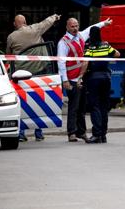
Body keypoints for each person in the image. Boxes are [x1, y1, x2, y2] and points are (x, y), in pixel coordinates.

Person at [6, 13, 60, 142]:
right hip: (38, 73)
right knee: (39, 101)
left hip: (20, 75)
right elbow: (46, 22)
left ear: (15, 24)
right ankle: (38, 132)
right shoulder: (35, 29)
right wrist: (55, 17)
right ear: (25, 22)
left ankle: (21, 133)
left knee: (22, 103)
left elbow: (8, 55)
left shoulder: (11, 37)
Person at [57, 17, 112, 143]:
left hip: (82, 78)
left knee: (82, 107)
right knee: (74, 107)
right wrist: (64, 80)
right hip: (72, 79)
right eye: (72, 26)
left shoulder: (81, 36)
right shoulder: (63, 43)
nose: (75, 28)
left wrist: (104, 23)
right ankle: (71, 132)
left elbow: (92, 28)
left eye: (76, 25)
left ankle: (81, 132)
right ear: (67, 27)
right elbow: (61, 62)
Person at [78, 27, 120, 144]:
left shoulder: (89, 47)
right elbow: (117, 54)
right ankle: (103, 134)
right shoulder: (105, 45)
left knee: (94, 106)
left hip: (93, 78)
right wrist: (106, 58)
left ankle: (96, 134)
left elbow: (85, 62)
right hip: (106, 77)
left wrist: (80, 76)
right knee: (103, 106)